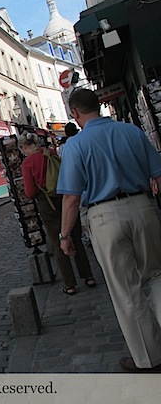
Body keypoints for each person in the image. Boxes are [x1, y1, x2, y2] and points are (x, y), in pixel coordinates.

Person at [58, 88, 161, 373]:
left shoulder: (75, 146)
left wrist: (65, 236)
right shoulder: (132, 132)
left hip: (105, 216)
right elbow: (158, 172)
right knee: (157, 276)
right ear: (100, 106)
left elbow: (71, 197)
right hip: (142, 207)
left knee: (126, 289)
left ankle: (149, 358)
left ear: (75, 113)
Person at [18, 131, 95, 295]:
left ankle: (70, 284)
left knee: (57, 241)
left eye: (23, 148)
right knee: (76, 238)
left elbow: (30, 192)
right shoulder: (51, 153)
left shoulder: (28, 163)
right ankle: (88, 276)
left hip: (48, 204)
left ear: (25, 147)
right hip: (66, 197)